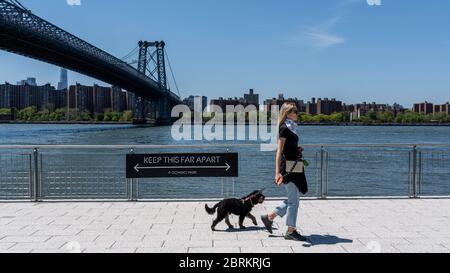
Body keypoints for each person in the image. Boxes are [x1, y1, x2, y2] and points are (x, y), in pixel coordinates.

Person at [261, 103, 308, 241]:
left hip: (295, 166)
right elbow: (279, 152)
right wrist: (277, 173)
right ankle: (290, 231)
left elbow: (289, 147)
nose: (297, 113)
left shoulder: (292, 127)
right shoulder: (283, 129)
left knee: (293, 198)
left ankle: (270, 217)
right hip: (288, 168)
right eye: (295, 111)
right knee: (294, 200)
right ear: (287, 113)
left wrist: (297, 150)